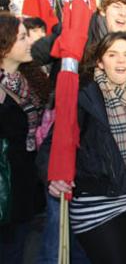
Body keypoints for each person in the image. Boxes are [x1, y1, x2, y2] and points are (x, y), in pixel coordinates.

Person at [42, 32, 126, 264]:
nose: (121, 60)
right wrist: (52, 176)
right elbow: (53, 141)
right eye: (113, 54)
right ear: (100, 61)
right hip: (94, 204)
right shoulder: (85, 95)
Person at [0, 13, 50, 263]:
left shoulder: (30, 80)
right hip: (4, 189)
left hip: (23, 187)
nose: (29, 42)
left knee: (15, 251)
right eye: (22, 38)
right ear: (4, 45)